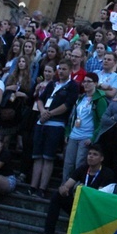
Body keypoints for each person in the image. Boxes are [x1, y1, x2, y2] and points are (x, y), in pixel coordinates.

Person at [28, 144, 117, 234]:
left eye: (95, 154)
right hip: (79, 206)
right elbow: (66, 185)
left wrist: (82, 190)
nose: (90, 156)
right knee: (57, 196)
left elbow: (99, 197)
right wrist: (64, 189)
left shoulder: (107, 173)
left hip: (94, 210)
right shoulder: (82, 169)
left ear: (102, 158)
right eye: (89, 154)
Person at [29, 59, 79, 198]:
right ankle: (33, 186)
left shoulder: (72, 86)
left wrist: (50, 113)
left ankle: (42, 188)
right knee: (37, 156)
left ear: (69, 70)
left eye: (64, 69)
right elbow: (40, 99)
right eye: (60, 69)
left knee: (48, 157)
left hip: (56, 124)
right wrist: (42, 112)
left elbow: (67, 105)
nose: (61, 72)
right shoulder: (52, 84)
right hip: (42, 122)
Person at [62, 72, 107, 183]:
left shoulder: (99, 99)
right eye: (84, 81)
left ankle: (76, 190)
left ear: (95, 84)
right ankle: (64, 187)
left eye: (89, 82)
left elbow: (102, 121)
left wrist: (93, 138)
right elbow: (73, 117)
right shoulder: (80, 98)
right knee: (68, 163)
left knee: (80, 164)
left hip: (86, 136)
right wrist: (68, 133)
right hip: (74, 134)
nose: (85, 84)